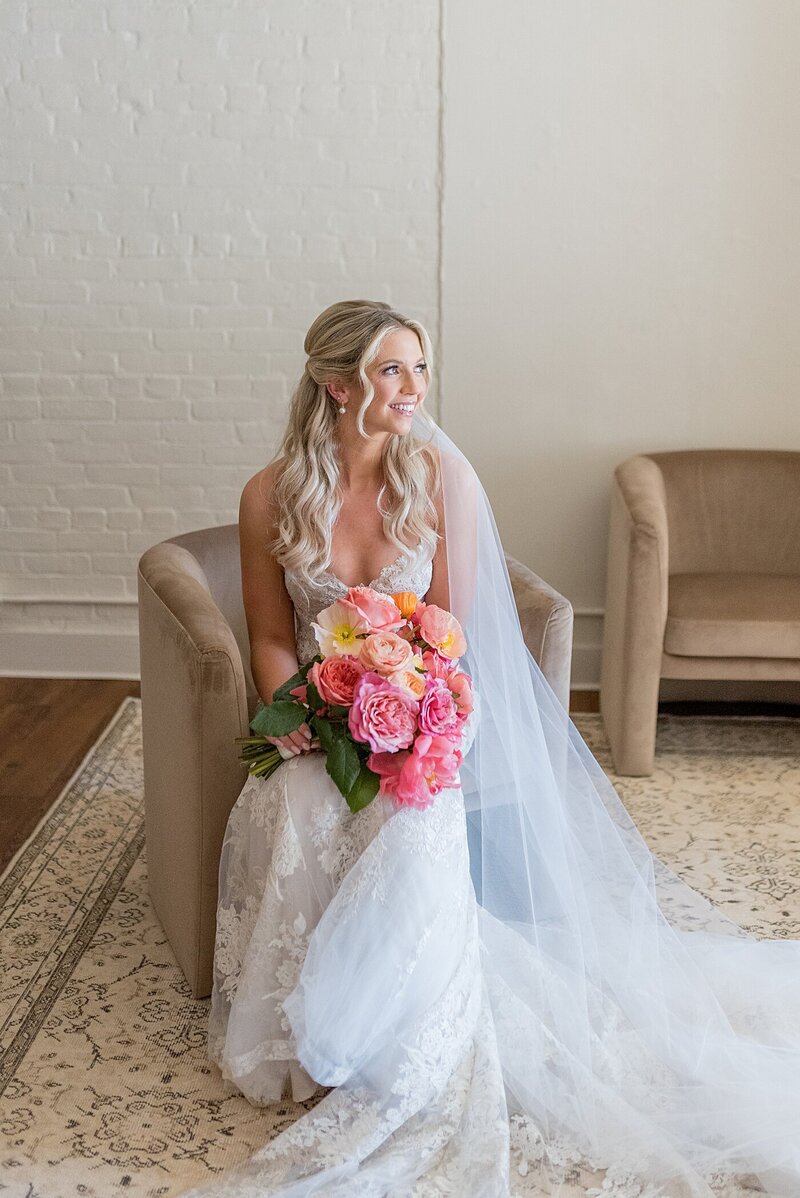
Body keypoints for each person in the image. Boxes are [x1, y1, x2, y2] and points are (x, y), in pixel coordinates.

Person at [184, 301, 800, 1198]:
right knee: (299, 801)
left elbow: (455, 628)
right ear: (336, 381)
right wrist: (310, 712)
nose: (414, 389)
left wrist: (410, 709)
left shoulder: (440, 481)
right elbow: (275, 636)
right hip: (323, 718)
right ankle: (305, 1034)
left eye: (421, 370)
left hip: (427, 710)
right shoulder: (269, 494)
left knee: (408, 811)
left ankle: (401, 1032)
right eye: (394, 370)